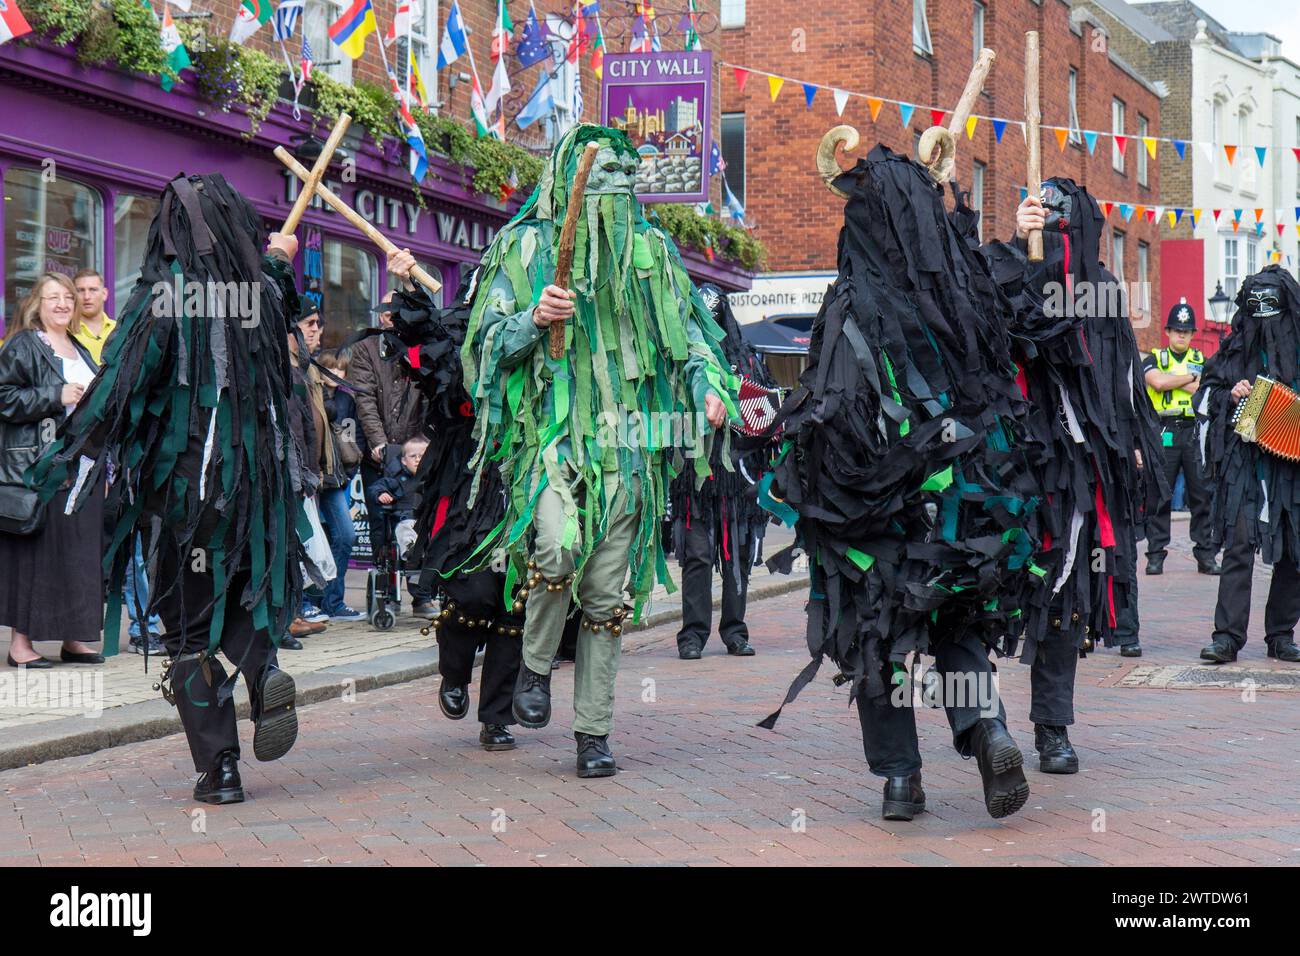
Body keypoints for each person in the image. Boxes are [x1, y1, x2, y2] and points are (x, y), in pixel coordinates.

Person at [760, 137, 1043, 821]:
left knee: (875, 636)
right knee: (955, 627)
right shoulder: (962, 300)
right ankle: (988, 731)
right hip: (960, 507)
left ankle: (899, 780)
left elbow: (833, 416)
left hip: (875, 512)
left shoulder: (853, 305)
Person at [462, 124, 735, 778]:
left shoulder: (651, 256)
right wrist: (533, 319)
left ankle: (593, 731)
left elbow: (694, 339)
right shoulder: (524, 249)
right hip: (551, 441)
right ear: (563, 178)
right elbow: (481, 349)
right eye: (593, 179)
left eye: (617, 181)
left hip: (628, 448)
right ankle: (533, 665)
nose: (602, 195)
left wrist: (708, 386)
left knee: (608, 596)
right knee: (554, 546)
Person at [31, 174, 309, 804]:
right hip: (255, 493)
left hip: (185, 495)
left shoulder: (163, 298)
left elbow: (116, 391)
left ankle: (221, 772)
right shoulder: (259, 294)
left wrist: (64, 459)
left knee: (186, 627)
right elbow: (273, 290)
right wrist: (277, 261)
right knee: (247, 589)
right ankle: (261, 666)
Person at [984, 180, 1165, 772]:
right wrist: (1017, 242)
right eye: (1043, 210)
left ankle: (1051, 727)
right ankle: (984, 724)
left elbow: (1121, 380)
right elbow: (988, 326)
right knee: (985, 590)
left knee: (1064, 593)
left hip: (1079, 476)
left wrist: (1129, 444)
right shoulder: (1011, 271)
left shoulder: (1104, 294)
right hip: (1010, 467)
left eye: (1064, 215)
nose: (1053, 221)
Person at [375, 264, 523, 752]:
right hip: (464, 480)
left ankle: (497, 716)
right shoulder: (455, 332)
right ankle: (454, 672)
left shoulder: (545, 333)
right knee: (473, 588)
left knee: (514, 598)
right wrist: (413, 295)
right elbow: (424, 359)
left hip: (523, 474)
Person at [0, 273, 105, 669]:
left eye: (68, 296)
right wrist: (53, 396)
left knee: (77, 553)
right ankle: (21, 645)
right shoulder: (26, 344)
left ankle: (73, 638)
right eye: (53, 297)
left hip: (83, 467)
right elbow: (3, 397)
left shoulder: (79, 346)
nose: (62, 303)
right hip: (40, 466)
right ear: (36, 304)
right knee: (36, 553)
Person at [1197, 266, 1300, 664]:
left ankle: (1280, 634)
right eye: (1255, 305)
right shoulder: (1233, 349)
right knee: (1238, 545)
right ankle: (1227, 637)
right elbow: (1204, 397)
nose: (1263, 315)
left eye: (1269, 304)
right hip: (1244, 463)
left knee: (1294, 548)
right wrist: (1231, 394)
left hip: (1290, 469)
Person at [671, 284, 775, 659]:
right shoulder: (680, 363)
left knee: (737, 556)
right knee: (697, 557)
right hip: (694, 479)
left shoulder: (748, 361)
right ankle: (692, 636)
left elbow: (765, 420)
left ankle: (734, 631)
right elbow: (667, 422)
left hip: (738, 481)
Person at [350, 288, 429, 610]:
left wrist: (419, 446)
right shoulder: (366, 349)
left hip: (415, 455)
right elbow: (364, 398)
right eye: (388, 311)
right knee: (381, 524)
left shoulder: (421, 348)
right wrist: (379, 443)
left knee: (418, 520)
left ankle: (421, 592)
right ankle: (384, 594)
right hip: (378, 454)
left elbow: (428, 397)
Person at [1143, 301, 1219, 576]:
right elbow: (1157, 383)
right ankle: (1155, 555)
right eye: (1176, 330)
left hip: (1195, 432)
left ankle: (1205, 555)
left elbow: (1207, 389)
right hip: (1165, 431)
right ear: (1167, 332)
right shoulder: (1154, 358)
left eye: (1186, 331)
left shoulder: (1203, 359)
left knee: (1201, 495)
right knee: (1160, 495)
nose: (1181, 336)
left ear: (1192, 333)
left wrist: (1177, 379)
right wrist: (1190, 378)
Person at [317, 348, 364, 621]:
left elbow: (350, 438)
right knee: (316, 537)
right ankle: (313, 600)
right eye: (331, 368)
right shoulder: (311, 392)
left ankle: (333, 600)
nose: (336, 374)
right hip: (315, 474)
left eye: (340, 369)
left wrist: (351, 467)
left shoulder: (346, 400)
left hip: (337, 477)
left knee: (344, 535)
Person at [71, 268, 116, 365]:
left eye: (93, 290)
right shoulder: (66, 331)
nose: (87, 296)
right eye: (80, 290)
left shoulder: (119, 330)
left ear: (104, 294)